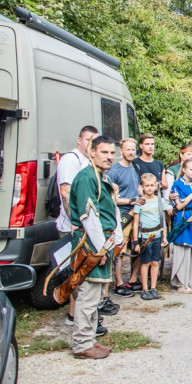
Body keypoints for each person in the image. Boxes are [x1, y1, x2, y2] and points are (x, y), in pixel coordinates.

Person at [68, 134, 121, 359]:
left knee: (96, 294)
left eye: (111, 153)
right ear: (92, 152)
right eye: (104, 152)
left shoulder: (101, 177)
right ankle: (81, 344)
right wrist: (100, 248)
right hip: (90, 244)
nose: (109, 157)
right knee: (88, 295)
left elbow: (111, 211)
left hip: (102, 243)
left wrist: (115, 240)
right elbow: (89, 216)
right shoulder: (86, 177)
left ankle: (89, 339)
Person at [56, 125, 98, 326]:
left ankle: (79, 314)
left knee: (84, 271)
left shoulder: (88, 161)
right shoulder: (70, 160)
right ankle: (73, 315)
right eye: (88, 140)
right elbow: (66, 192)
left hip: (86, 226)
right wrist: (74, 221)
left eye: (94, 141)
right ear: (79, 140)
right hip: (73, 226)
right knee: (76, 271)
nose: (91, 144)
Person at [106, 138, 140, 297]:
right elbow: (111, 198)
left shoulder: (135, 167)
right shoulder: (114, 172)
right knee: (119, 250)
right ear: (121, 151)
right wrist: (130, 201)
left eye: (133, 150)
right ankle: (118, 283)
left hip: (137, 213)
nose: (131, 152)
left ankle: (132, 280)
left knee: (138, 246)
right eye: (128, 150)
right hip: (123, 215)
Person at [133, 173, 172, 300]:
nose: (149, 188)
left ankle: (153, 287)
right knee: (145, 262)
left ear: (156, 186)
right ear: (142, 187)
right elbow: (135, 223)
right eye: (146, 185)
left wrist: (164, 237)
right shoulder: (140, 203)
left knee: (156, 262)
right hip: (145, 237)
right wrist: (135, 242)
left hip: (157, 235)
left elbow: (163, 221)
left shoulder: (160, 201)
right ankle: (145, 289)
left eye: (151, 185)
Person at [170, 159, 192, 293]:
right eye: (191, 169)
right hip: (185, 217)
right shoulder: (177, 185)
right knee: (183, 249)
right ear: (184, 169)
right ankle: (181, 283)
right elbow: (179, 205)